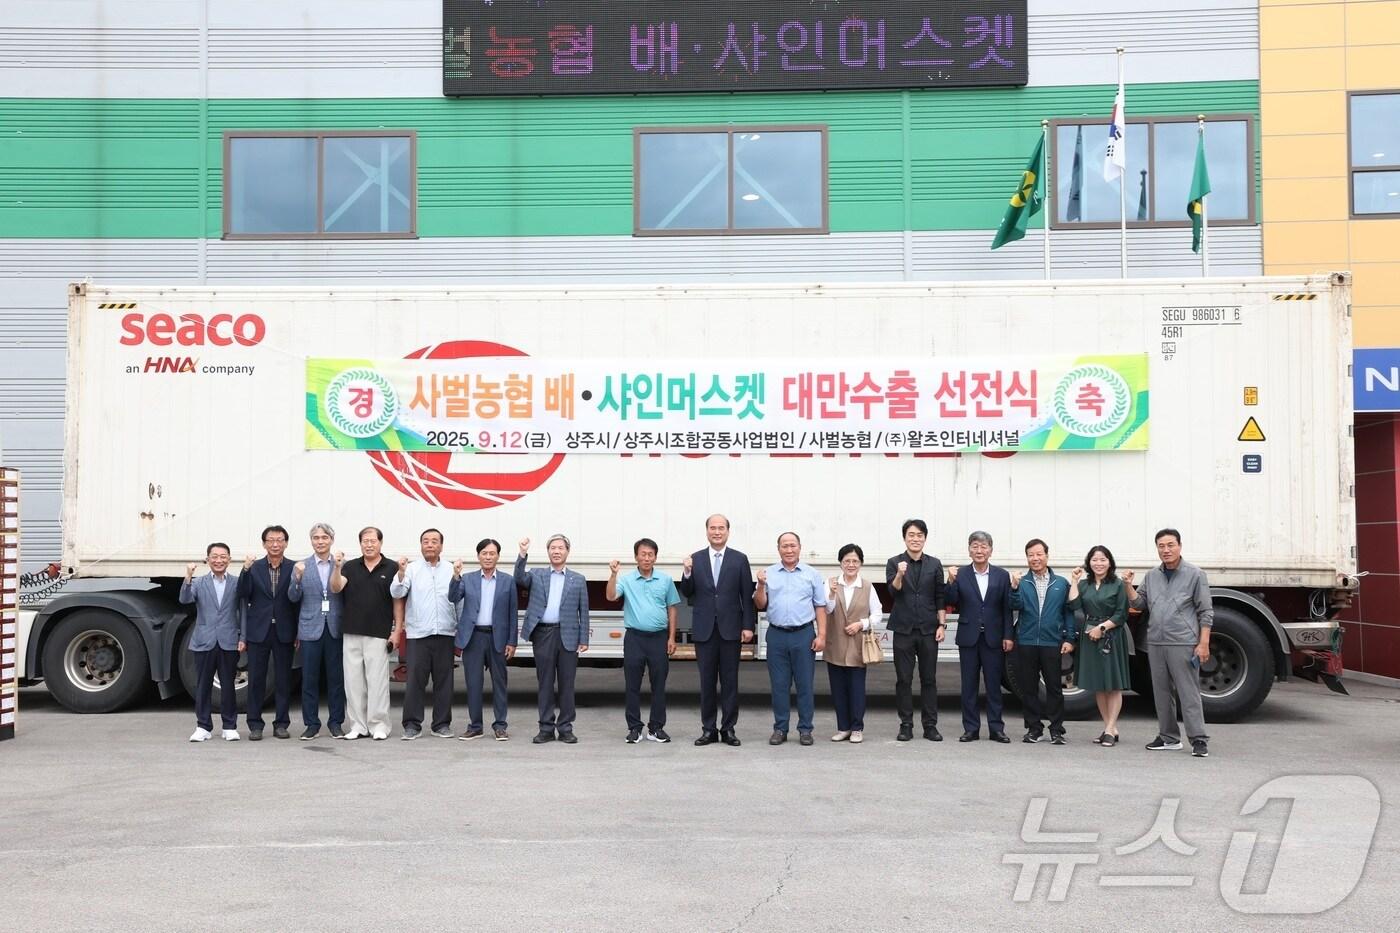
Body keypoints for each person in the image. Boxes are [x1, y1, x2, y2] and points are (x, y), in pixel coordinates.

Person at [1126, 528, 1213, 758]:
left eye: (1170, 545)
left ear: (1180, 546)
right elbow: (1140, 603)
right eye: (1161, 546)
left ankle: (1198, 739)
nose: (1166, 550)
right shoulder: (1152, 575)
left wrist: (1203, 643)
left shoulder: (1195, 574)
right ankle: (1168, 737)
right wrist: (1128, 585)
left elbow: (1206, 611)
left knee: (1188, 692)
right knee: (1161, 692)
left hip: (1183, 641)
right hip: (1155, 642)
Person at [678, 514, 755, 747]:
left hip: (731, 630)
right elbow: (688, 592)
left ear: (728, 531)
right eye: (713, 528)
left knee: (730, 682)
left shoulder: (740, 559)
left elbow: (746, 596)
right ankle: (708, 729)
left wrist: (748, 626)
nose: (717, 532)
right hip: (705, 630)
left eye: (721, 528)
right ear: (707, 531)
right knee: (707, 682)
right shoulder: (696, 559)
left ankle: (729, 729)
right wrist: (687, 572)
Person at [753, 532, 828, 746]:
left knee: (804, 684)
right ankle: (780, 728)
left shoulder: (811, 574)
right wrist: (760, 585)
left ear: (800, 548)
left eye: (792, 545)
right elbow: (760, 604)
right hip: (776, 634)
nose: (789, 550)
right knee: (779, 685)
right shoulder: (768, 574)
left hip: (803, 634)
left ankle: (805, 729)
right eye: (784, 546)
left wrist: (821, 635)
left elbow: (820, 606)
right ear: (778, 549)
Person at [515, 534, 590, 744]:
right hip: (544, 634)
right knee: (545, 683)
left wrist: (584, 638)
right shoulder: (537, 575)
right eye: (553, 548)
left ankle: (565, 728)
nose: (556, 551)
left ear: (567, 551)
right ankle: (546, 728)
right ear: (548, 552)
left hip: (568, 635)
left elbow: (583, 611)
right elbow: (519, 578)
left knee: (567, 684)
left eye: (560, 548)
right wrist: (522, 553)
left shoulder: (578, 579)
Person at [606, 538, 680, 744]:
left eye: (650, 554)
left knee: (658, 684)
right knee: (632, 685)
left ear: (655, 557)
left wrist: (672, 637)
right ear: (636, 556)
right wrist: (613, 574)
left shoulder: (665, 580)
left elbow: (672, 608)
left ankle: (656, 728)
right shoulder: (627, 580)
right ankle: (634, 728)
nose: (646, 558)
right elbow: (611, 596)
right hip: (635, 639)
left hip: (658, 638)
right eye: (643, 554)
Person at [945, 531, 1015, 743]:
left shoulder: (1002, 576)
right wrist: (950, 581)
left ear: (991, 551)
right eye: (975, 546)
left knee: (993, 685)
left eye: (984, 547)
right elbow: (950, 600)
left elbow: (1006, 609)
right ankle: (971, 728)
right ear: (969, 550)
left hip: (993, 638)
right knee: (969, 686)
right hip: (969, 637)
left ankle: (996, 729)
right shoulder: (961, 574)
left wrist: (1008, 635)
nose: (979, 551)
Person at [449, 538, 518, 742]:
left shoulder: (508, 581)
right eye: (484, 553)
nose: (488, 557)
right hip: (473, 637)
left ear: (498, 556)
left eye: (492, 553)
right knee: (473, 683)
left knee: (500, 683)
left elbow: (512, 613)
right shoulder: (468, 579)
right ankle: (475, 726)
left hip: (498, 638)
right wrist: (455, 576)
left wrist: (512, 642)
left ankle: (500, 726)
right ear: (478, 556)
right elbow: (453, 597)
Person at [390, 528, 457, 740]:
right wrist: (400, 573)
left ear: (441, 546)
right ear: (421, 545)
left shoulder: (450, 569)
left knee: (444, 682)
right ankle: (412, 724)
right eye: (426, 541)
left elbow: (460, 600)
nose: (430, 544)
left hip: (445, 633)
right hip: (418, 634)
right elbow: (397, 592)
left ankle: (441, 724)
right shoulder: (411, 569)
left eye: (434, 541)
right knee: (415, 682)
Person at [1009, 538, 1077, 745]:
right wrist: (1013, 588)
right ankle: (1034, 728)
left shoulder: (1061, 583)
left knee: (1054, 687)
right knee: (1028, 688)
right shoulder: (1023, 582)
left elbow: (1068, 613)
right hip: (1027, 641)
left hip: (1051, 642)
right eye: (1031, 555)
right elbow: (1015, 605)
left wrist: (1070, 638)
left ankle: (1056, 730)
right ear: (1027, 557)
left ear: (1047, 556)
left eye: (1039, 554)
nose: (1035, 558)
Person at [335, 526, 401, 741]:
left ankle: (379, 725)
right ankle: (357, 725)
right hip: (352, 631)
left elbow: (398, 601)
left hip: (379, 633)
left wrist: (397, 631)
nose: (369, 544)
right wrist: (337, 568)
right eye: (365, 541)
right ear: (360, 543)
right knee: (353, 683)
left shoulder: (391, 567)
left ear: (381, 543)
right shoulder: (350, 567)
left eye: (373, 541)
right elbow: (336, 588)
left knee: (377, 682)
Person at [885, 519, 947, 742]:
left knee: (929, 679)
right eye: (911, 535)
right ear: (905, 538)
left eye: (920, 535)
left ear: (925, 538)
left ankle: (930, 725)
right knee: (904, 679)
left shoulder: (934, 564)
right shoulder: (894, 562)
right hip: (903, 629)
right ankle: (906, 724)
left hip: (929, 628)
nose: (915, 539)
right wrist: (900, 574)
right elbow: (893, 592)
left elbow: (940, 596)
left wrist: (942, 625)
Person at [238, 525, 297, 740]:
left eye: (279, 540)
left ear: (286, 543)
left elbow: (297, 602)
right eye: (270, 540)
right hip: (258, 630)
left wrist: (298, 631)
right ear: (264, 544)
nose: (275, 544)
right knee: (256, 680)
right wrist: (244, 570)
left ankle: (281, 723)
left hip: (284, 630)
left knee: (283, 680)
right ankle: (255, 724)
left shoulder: (293, 567)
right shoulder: (254, 568)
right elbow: (243, 594)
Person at [1067, 545, 1130, 747]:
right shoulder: (1085, 584)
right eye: (1095, 559)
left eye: (1103, 559)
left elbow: (1122, 614)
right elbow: (1074, 605)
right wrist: (1074, 581)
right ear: (1089, 563)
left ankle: (1111, 728)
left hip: (1110, 636)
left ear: (1109, 562)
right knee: (1099, 685)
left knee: (1113, 684)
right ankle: (1108, 727)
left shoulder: (1117, 584)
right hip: (1090, 636)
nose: (1099, 563)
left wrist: (1101, 628)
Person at [287, 523, 345, 740]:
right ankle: (311, 724)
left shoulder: (341, 564)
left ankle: (336, 723)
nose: (320, 541)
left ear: (331, 540)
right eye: (316, 538)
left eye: (324, 537)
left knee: (336, 679)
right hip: (310, 628)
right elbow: (292, 597)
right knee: (309, 679)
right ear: (311, 541)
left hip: (335, 628)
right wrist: (298, 578)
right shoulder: (301, 566)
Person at [180, 543, 242, 742]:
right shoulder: (198, 583)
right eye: (214, 556)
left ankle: (229, 726)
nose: (219, 560)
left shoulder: (237, 582)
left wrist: (243, 637)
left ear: (229, 560)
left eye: (223, 556)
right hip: (204, 640)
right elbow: (184, 599)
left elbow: (244, 612)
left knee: (228, 685)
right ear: (207, 559)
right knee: (203, 685)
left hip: (228, 640)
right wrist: (188, 577)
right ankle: (203, 726)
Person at [823, 543, 881, 744]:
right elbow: (826, 610)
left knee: (856, 688)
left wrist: (861, 624)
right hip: (835, 643)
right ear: (840, 563)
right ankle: (843, 727)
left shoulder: (867, 586)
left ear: (861, 563)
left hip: (858, 645)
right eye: (847, 560)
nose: (851, 564)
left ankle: (857, 728)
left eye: (855, 561)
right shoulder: (831, 583)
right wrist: (830, 594)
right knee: (838, 689)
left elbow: (877, 614)